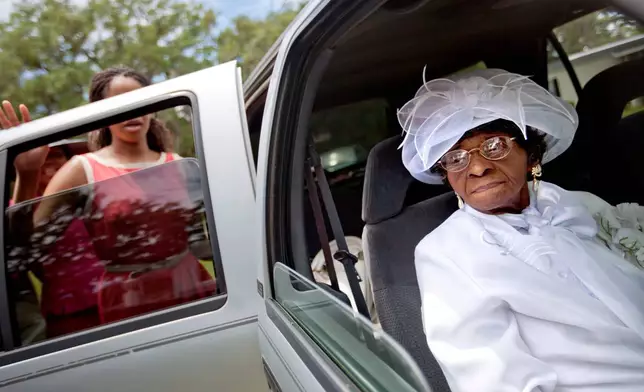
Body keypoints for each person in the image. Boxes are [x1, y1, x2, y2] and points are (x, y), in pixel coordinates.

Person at [398, 68, 644, 391]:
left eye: (495, 146)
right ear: (446, 174)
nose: (477, 166)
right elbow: (492, 381)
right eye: (455, 157)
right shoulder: (444, 253)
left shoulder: (577, 205)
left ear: (531, 155)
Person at [8, 66, 215, 325]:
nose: (133, 111)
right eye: (119, 104)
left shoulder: (180, 164)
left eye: (140, 101)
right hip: (128, 300)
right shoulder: (82, 169)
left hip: (192, 286)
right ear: (101, 112)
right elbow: (27, 243)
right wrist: (27, 174)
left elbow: (202, 245)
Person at [0, 101, 102, 339]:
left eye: (55, 156)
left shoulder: (93, 191)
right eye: (42, 158)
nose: (48, 164)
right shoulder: (22, 204)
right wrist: (27, 173)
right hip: (65, 312)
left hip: (113, 297)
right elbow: (18, 240)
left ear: (69, 161)